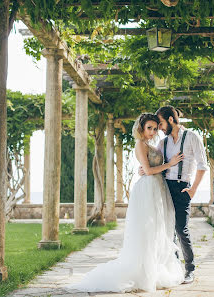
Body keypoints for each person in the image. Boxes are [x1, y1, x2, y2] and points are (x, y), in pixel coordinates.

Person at [67, 113, 184, 293]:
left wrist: (155, 168)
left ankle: (154, 267)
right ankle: (143, 272)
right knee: (147, 230)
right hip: (148, 189)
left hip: (158, 187)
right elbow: (147, 170)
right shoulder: (140, 144)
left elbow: (148, 168)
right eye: (149, 128)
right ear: (141, 128)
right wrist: (170, 164)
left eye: (154, 128)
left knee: (158, 229)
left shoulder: (150, 144)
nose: (152, 132)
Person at [140, 106, 208, 284]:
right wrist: (143, 169)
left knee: (181, 229)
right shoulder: (163, 143)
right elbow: (154, 162)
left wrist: (193, 189)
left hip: (182, 188)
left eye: (161, 124)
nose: (159, 128)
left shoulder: (192, 137)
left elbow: (202, 165)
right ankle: (175, 268)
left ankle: (190, 269)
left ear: (171, 119)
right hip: (164, 187)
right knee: (168, 232)